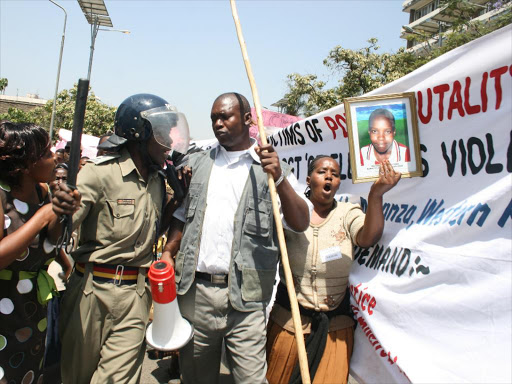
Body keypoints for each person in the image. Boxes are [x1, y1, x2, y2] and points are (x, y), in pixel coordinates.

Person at [162, 92, 310, 383]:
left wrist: (279, 178)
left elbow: (300, 221)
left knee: (251, 379)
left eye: (225, 116)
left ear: (247, 119)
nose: (218, 124)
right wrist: (169, 251)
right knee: (196, 378)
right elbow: (181, 216)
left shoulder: (269, 168)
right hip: (196, 294)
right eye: (214, 118)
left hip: (247, 298)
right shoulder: (198, 163)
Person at [52, 94, 185, 384]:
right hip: (91, 291)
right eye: (162, 134)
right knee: (76, 377)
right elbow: (58, 232)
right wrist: (60, 208)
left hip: (135, 296)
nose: (168, 144)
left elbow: (149, 231)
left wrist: (176, 202)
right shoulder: (98, 174)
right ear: (140, 135)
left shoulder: (157, 182)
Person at [266, 155, 400, 384]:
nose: (329, 176)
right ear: (309, 179)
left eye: (335, 174)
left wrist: (376, 195)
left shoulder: (348, 212)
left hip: (335, 328)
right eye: (322, 172)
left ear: (338, 183)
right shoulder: (291, 210)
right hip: (290, 322)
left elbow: (368, 237)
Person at [0, 120, 60, 384]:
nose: (55, 156)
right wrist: (41, 217)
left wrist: (61, 209)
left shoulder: (44, 193)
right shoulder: (2, 197)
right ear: (25, 164)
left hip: (33, 316)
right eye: (46, 153)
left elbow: (53, 241)